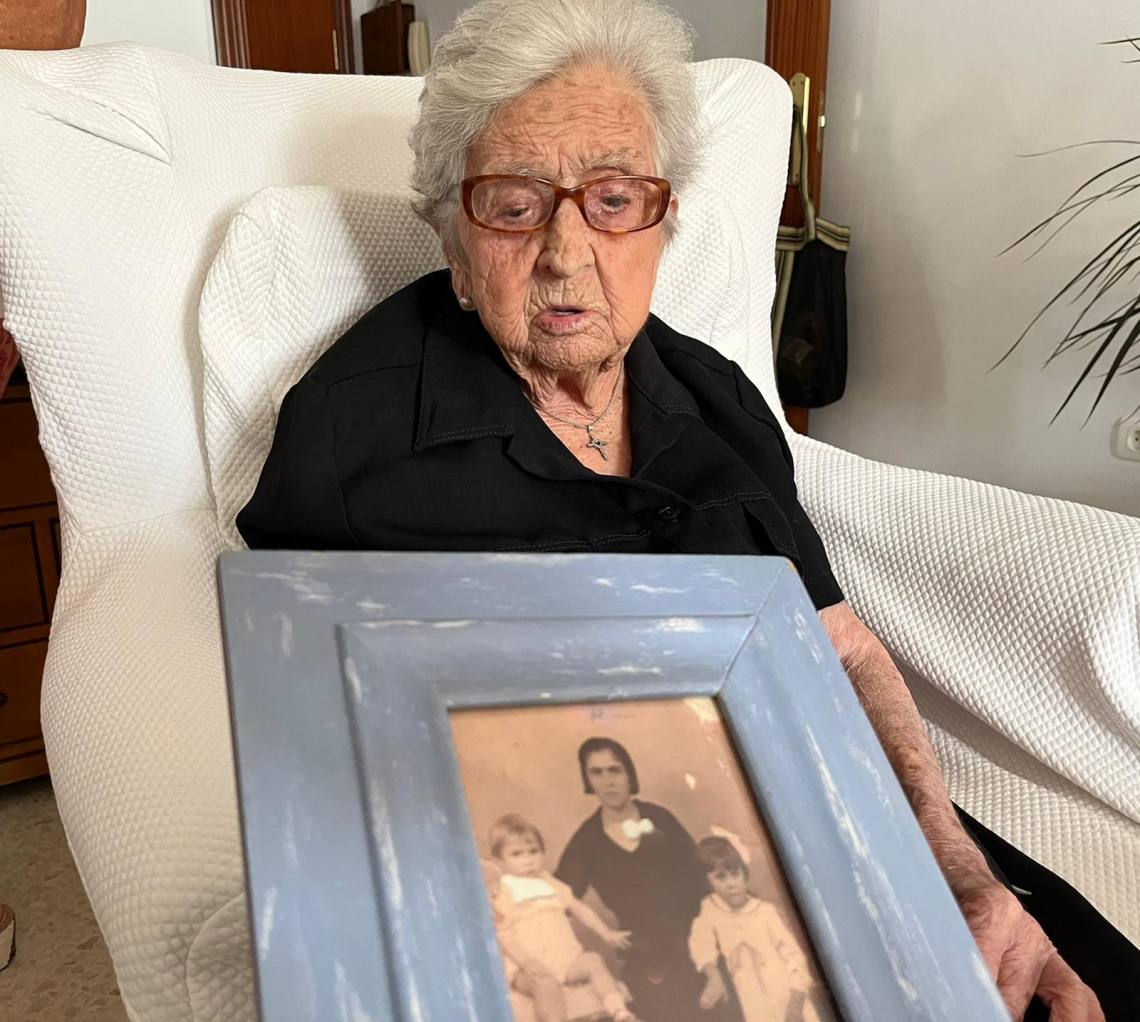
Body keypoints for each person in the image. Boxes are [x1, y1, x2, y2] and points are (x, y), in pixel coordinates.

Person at [237, 1, 1129, 1017]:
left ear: (662, 221)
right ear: (451, 232)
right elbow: (304, 722)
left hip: (809, 810)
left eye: (614, 198)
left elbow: (841, 646)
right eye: (513, 205)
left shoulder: (716, 396)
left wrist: (949, 859)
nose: (568, 251)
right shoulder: (353, 427)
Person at [551, 738, 720, 1022]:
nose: (608, 781)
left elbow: (702, 880)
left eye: (615, 770)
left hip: (699, 950)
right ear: (588, 781)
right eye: (597, 773)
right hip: (647, 963)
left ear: (629, 774)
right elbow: (556, 898)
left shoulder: (660, 818)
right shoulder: (587, 839)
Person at [487, 813, 637, 1022]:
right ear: (499, 860)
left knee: (593, 961)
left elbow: (578, 908)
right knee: (545, 985)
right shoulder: (503, 889)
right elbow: (504, 933)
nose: (528, 860)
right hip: (527, 964)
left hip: (564, 959)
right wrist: (527, 963)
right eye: (516, 854)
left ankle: (619, 1012)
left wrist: (606, 933)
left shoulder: (548, 882)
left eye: (534, 851)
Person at [689, 836, 817, 1022]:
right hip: (753, 1002)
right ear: (707, 881)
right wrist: (713, 976)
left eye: (735, 874)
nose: (731, 884)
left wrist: (795, 1004)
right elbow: (700, 943)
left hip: (788, 997)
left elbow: (795, 958)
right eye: (720, 877)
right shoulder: (710, 909)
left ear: (744, 874)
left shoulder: (765, 912)